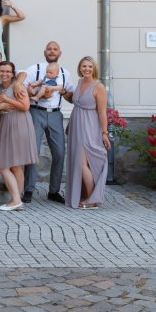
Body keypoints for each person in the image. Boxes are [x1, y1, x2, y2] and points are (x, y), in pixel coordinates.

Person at [22, 40, 73, 204]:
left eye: (55, 49)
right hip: (36, 112)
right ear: (45, 52)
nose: (52, 51)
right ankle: (28, 189)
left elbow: (70, 95)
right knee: (33, 152)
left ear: (60, 53)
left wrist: (63, 91)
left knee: (59, 153)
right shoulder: (35, 68)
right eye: (49, 49)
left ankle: (54, 190)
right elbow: (22, 88)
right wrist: (34, 91)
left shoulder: (65, 72)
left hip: (56, 115)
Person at [63, 58, 110, 210]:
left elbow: (102, 113)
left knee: (82, 163)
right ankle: (87, 195)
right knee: (80, 162)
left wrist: (104, 132)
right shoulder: (80, 83)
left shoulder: (99, 86)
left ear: (94, 68)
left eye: (90, 66)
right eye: (84, 66)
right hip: (76, 125)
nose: (87, 69)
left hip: (90, 127)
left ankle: (92, 199)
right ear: (80, 68)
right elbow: (77, 104)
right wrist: (70, 125)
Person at [0, 61, 39, 212]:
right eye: (2, 71)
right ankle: (17, 200)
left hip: (18, 123)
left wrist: (6, 100)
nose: (4, 74)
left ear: (13, 74)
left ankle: (16, 199)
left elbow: (25, 106)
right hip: (5, 123)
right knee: (15, 165)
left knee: (4, 164)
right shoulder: (0, 87)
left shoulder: (17, 86)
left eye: (8, 71)